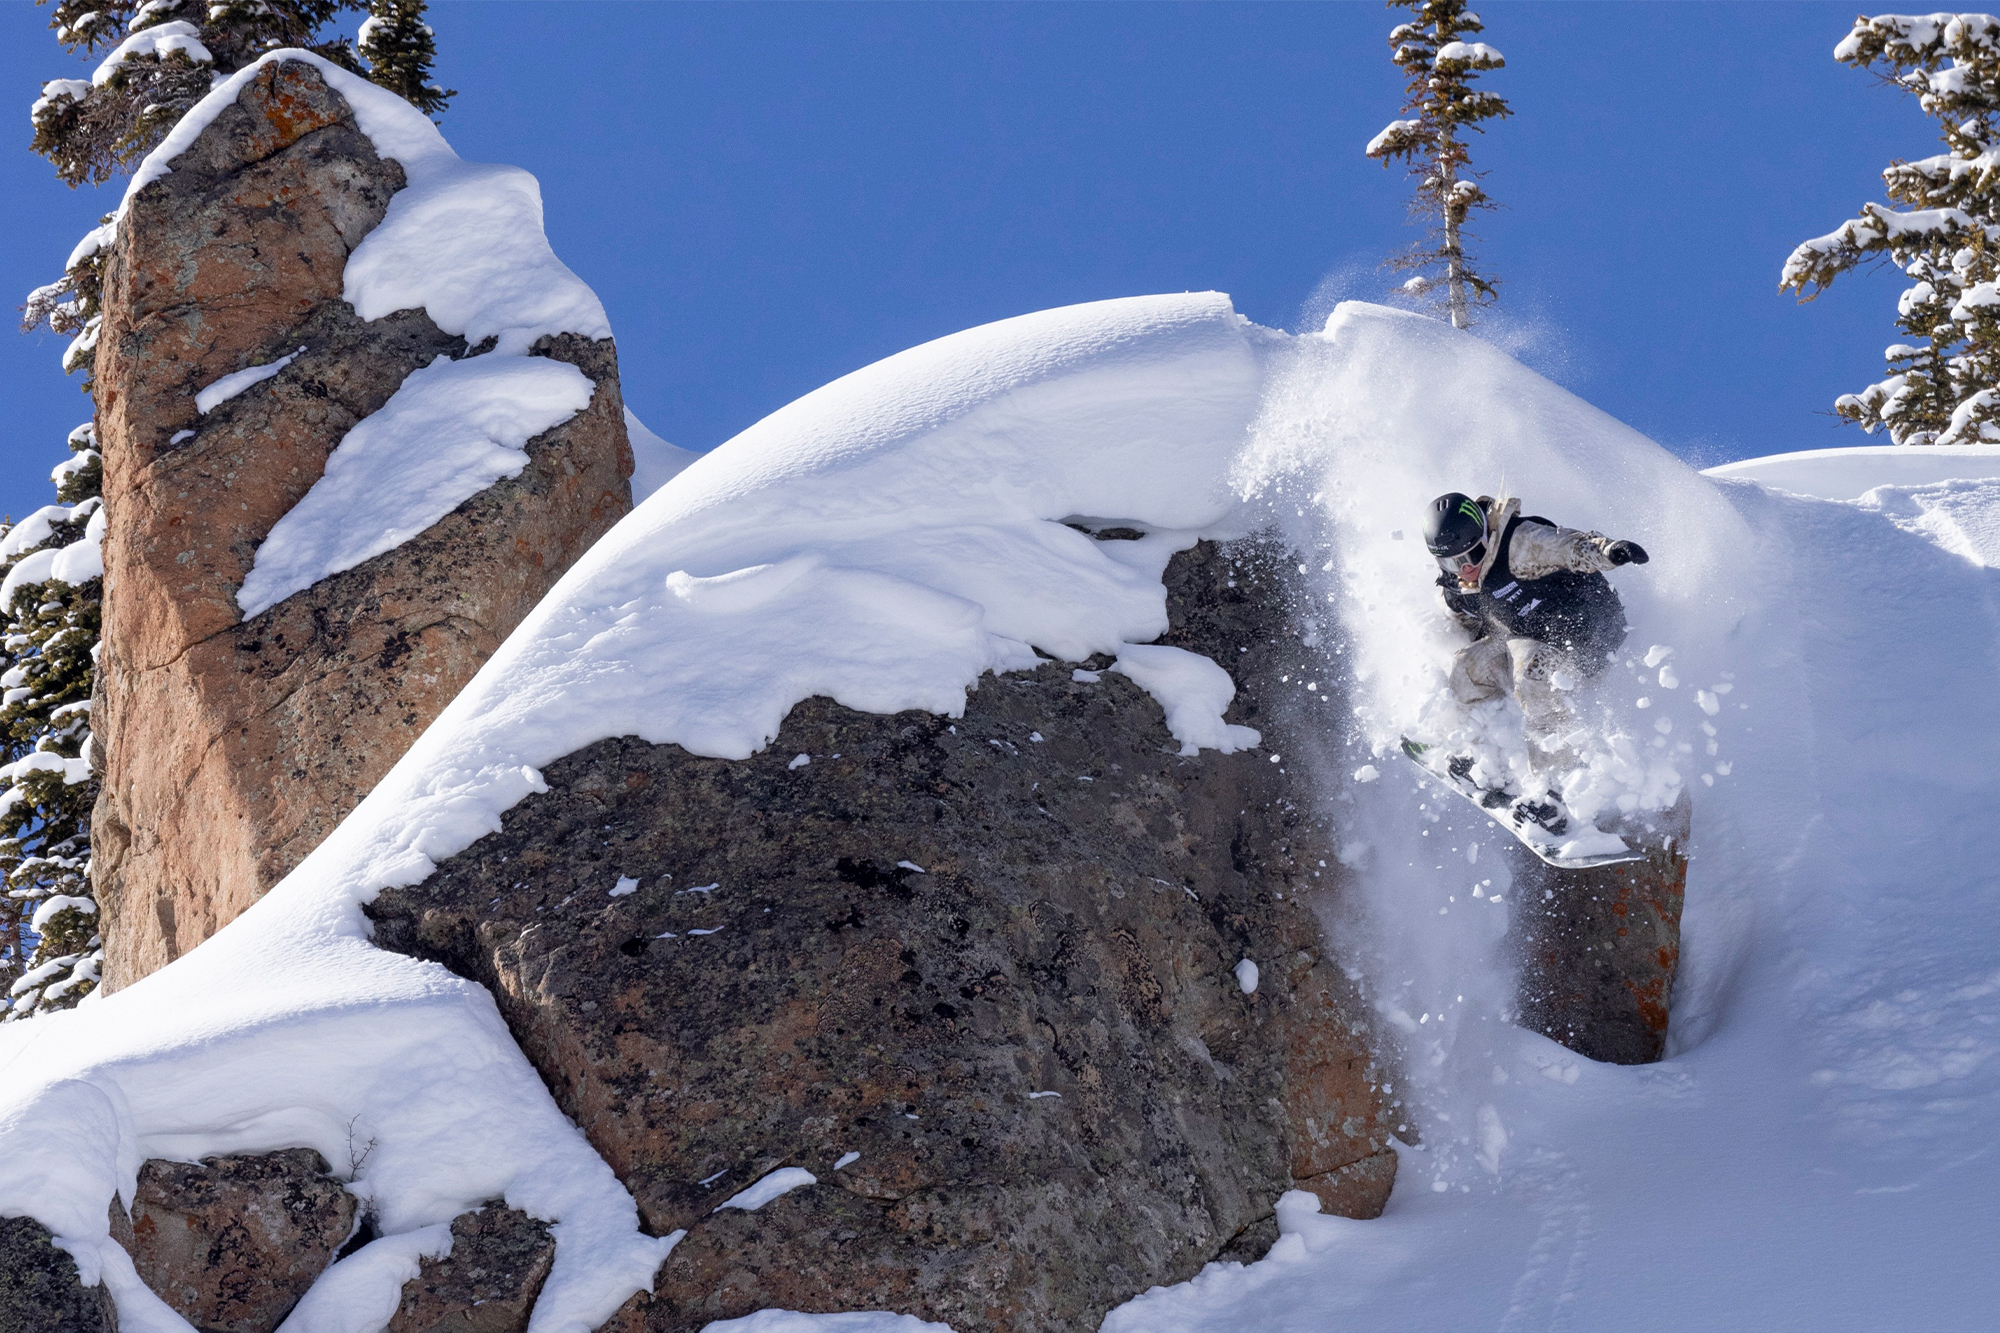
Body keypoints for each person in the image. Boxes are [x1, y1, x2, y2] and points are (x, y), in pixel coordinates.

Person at [1421, 492, 1649, 780]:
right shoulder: (1457, 589)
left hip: (1588, 643)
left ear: (1484, 537)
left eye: (1472, 555)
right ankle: (1486, 760)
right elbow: (1462, 626)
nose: (1466, 568)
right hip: (1527, 637)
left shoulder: (1519, 544)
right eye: (1453, 563)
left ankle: (1554, 783)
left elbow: (1568, 546)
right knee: (1465, 668)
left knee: (1532, 672)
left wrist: (1609, 551)